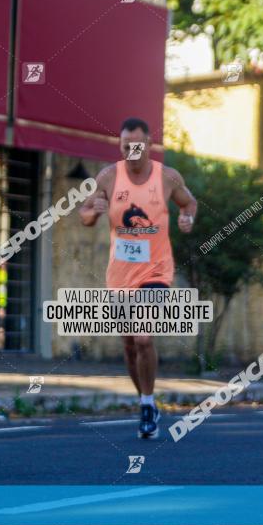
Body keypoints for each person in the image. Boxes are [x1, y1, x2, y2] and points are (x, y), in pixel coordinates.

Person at [79, 117, 198, 439]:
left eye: (137, 145)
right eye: (125, 146)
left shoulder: (167, 178)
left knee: (144, 337)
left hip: (156, 271)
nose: (131, 151)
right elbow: (85, 215)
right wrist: (95, 210)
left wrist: (187, 218)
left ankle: (147, 403)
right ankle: (146, 400)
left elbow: (189, 203)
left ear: (148, 145)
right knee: (130, 345)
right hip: (120, 275)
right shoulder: (108, 176)